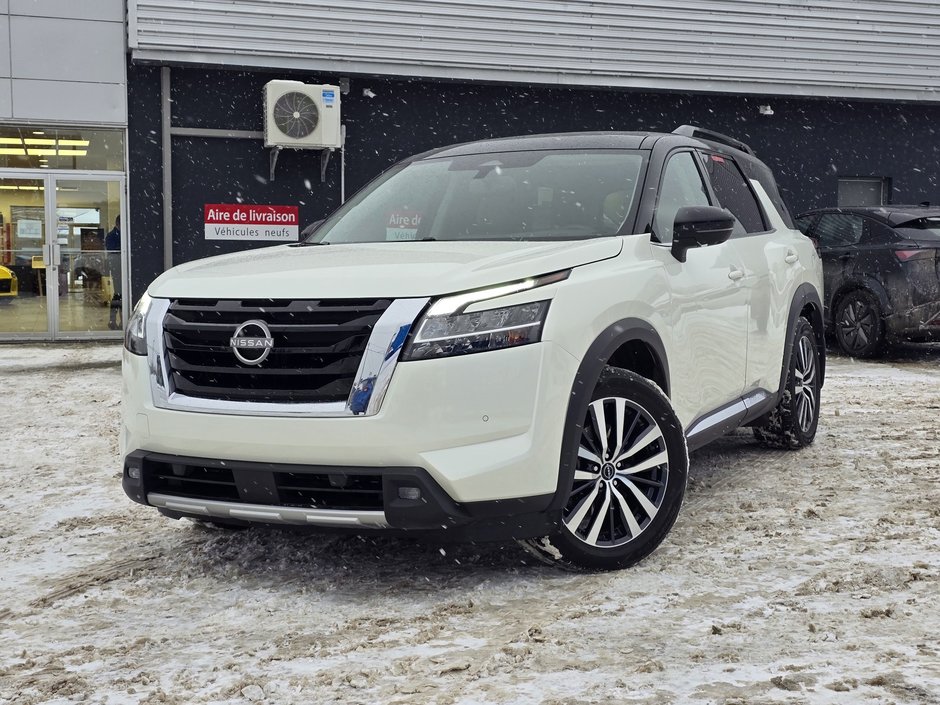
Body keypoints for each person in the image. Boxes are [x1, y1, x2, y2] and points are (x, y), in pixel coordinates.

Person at [105, 216, 122, 329]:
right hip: (117, 267)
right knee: (118, 294)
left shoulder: (120, 234)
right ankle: (113, 320)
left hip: (120, 267)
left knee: (119, 294)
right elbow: (112, 250)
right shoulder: (111, 236)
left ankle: (117, 320)